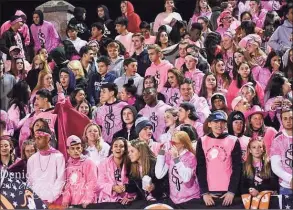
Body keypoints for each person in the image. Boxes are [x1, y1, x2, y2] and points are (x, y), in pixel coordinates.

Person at [196, 110, 242, 207]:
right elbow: (200, 168)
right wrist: (204, 192)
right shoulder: (202, 140)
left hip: (228, 192)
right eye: (216, 122)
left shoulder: (233, 140)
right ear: (209, 124)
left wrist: (232, 191)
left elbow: (237, 168)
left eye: (222, 122)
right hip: (209, 192)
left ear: (225, 124)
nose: (219, 125)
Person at [155, 131, 200, 208]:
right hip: (174, 200)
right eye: (171, 142)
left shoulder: (190, 156)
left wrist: (176, 158)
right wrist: (161, 153)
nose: (172, 145)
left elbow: (186, 178)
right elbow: (159, 175)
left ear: (183, 143)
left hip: (190, 199)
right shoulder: (170, 155)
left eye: (174, 143)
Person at [27, 127, 65, 206]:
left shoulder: (58, 156)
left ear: (48, 138)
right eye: (36, 138)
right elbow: (30, 182)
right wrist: (35, 199)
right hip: (36, 201)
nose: (36, 141)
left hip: (54, 200)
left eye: (39, 138)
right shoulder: (31, 159)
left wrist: (51, 198)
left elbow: (61, 180)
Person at [125, 139, 169, 208]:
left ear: (141, 152)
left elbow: (166, 185)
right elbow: (135, 187)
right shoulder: (133, 167)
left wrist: (154, 186)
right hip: (144, 200)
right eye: (129, 152)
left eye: (132, 151)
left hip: (159, 199)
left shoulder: (155, 164)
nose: (129, 154)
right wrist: (125, 188)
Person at [95, 137, 135, 208]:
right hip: (108, 199)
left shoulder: (131, 164)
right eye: (115, 146)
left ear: (125, 149)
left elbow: (135, 184)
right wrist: (112, 188)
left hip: (127, 199)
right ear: (112, 149)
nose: (118, 148)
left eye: (121, 146)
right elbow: (99, 184)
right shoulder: (103, 164)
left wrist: (129, 197)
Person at [62, 135, 98, 209]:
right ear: (68, 151)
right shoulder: (67, 165)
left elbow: (92, 182)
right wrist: (66, 199)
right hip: (73, 203)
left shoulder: (89, 163)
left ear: (81, 149)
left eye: (78, 148)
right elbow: (68, 184)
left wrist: (88, 199)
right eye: (72, 148)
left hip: (86, 203)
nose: (76, 151)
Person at [270, 108, 293, 195]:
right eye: (285, 118)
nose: (288, 121)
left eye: (291, 118)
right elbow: (275, 166)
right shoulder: (277, 140)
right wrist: (290, 179)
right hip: (286, 187)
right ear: (281, 121)